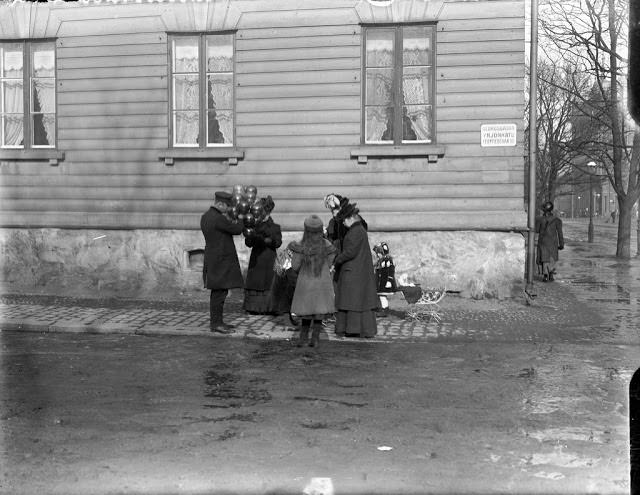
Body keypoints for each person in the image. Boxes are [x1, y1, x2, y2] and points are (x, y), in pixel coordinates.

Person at [288, 215, 337, 347]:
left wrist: (300, 271)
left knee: (306, 312)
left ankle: (302, 338)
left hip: (306, 281)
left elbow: (295, 266)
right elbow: (331, 258)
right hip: (322, 282)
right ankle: (315, 339)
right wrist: (325, 267)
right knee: (318, 312)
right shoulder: (327, 245)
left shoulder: (301, 246)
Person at [332, 202, 378, 337]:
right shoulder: (358, 230)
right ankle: (358, 329)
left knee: (351, 301)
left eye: (344, 220)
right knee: (358, 302)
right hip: (358, 271)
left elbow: (350, 252)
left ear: (351, 218)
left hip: (353, 272)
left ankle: (352, 329)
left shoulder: (355, 232)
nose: (343, 223)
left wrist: (337, 261)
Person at [201, 191, 244, 333]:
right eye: (227, 206)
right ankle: (216, 324)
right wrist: (241, 217)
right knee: (219, 294)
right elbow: (237, 229)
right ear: (220, 204)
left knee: (218, 292)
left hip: (213, 259)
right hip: (220, 261)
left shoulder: (206, 216)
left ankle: (218, 322)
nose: (228, 209)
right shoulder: (218, 219)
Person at [243, 196, 282, 314]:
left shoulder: (274, 227)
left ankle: (269, 308)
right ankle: (254, 308)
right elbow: (248, 243)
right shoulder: (254, 224)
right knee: (256, 282)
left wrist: (269, 240)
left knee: (268, 283)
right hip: (257, 258)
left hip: (268, 259)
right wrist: (252, 237)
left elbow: (278, 243)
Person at [535, 200, 564, 282]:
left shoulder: (541, 219)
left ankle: (545, 275)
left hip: (543, 241)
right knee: (552, 258)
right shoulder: (557, 220)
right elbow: (560, 233)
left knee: (544, 258)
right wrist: (561, 244)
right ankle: (551, 274)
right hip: (553, 242)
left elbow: (537, 230)